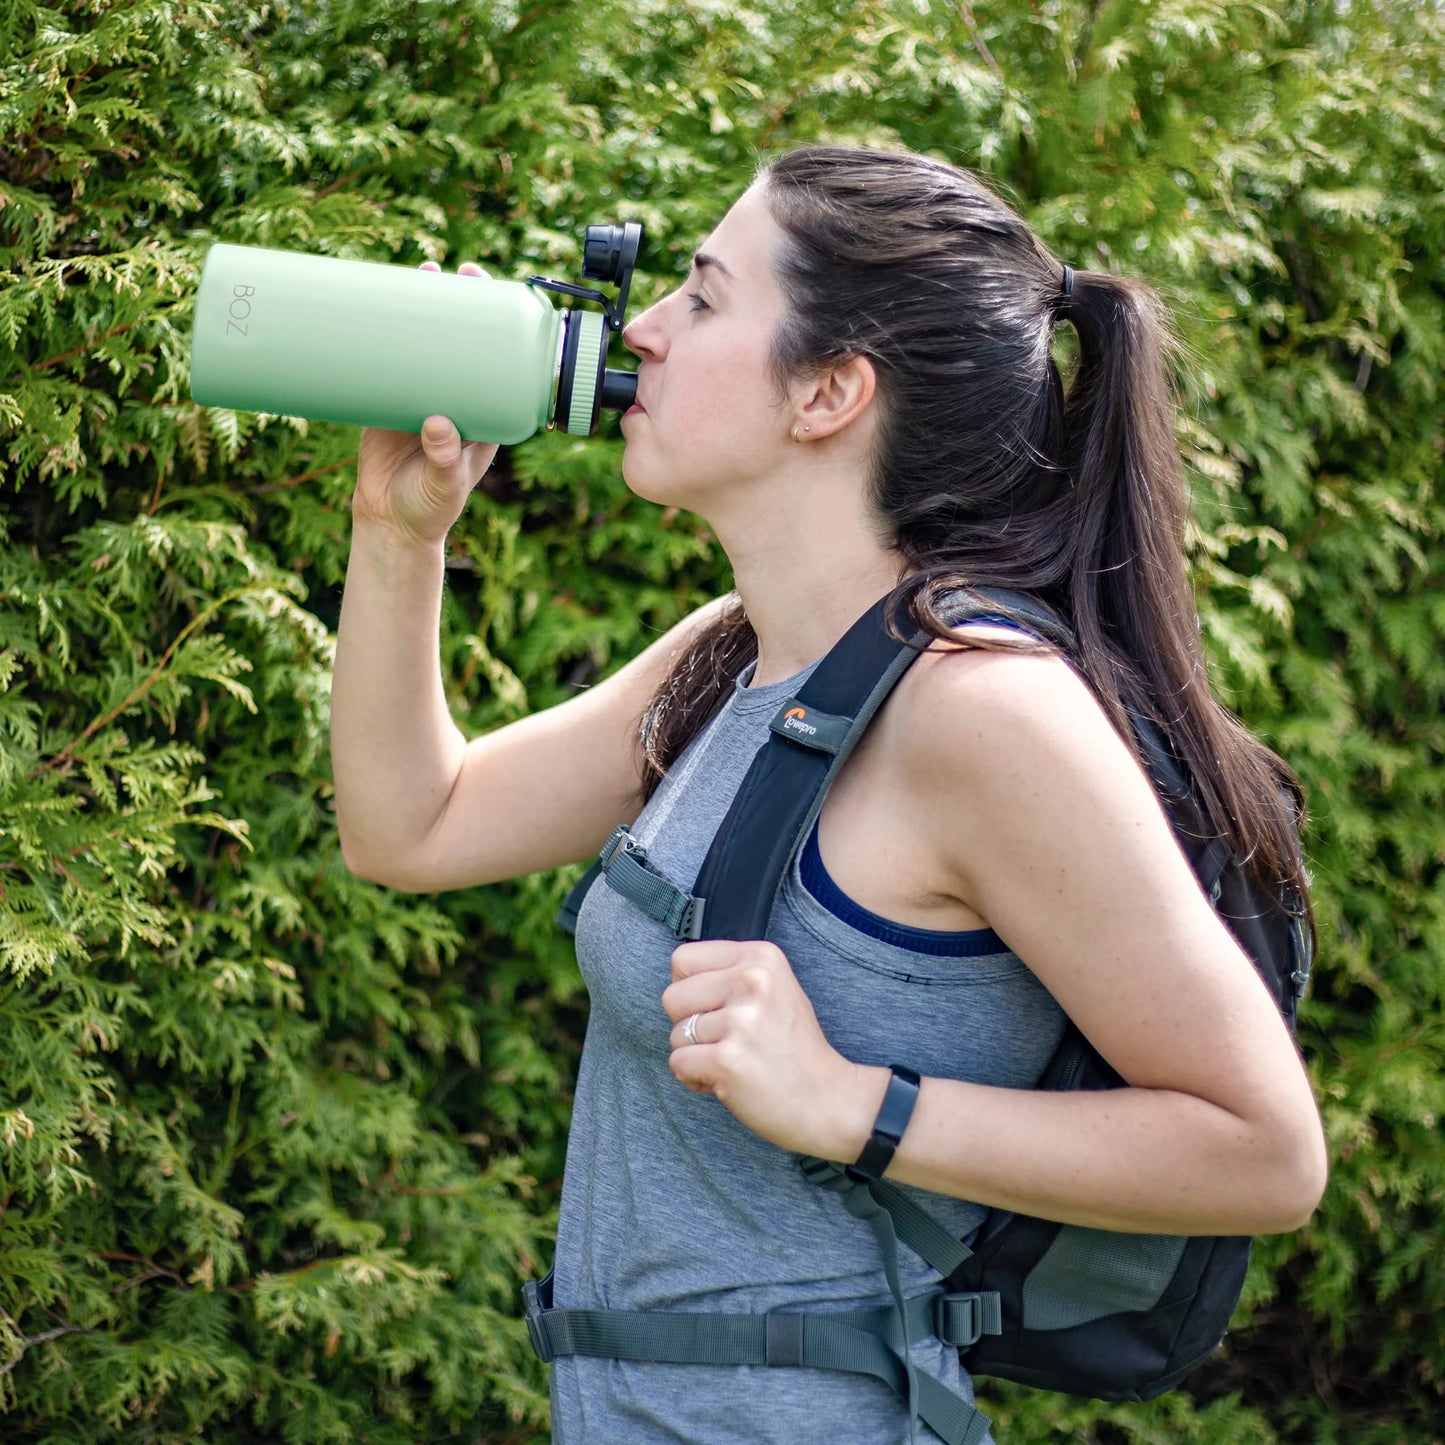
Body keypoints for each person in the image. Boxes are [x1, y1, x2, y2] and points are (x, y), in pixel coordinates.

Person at [330, 145, 1328, 1443]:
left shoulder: (980, 713)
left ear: (827, 392)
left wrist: (855, 1103)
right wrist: (399, 534)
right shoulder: (739, 649)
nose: (641, 328)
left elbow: (1263, 1149)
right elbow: (414, 825)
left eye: (698, 295)